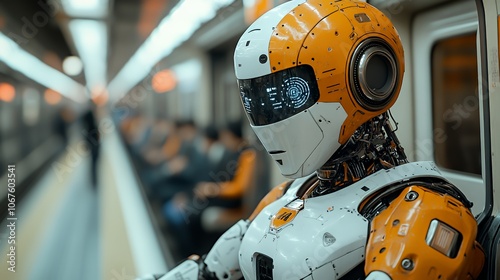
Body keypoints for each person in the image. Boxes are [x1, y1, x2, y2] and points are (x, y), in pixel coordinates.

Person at [139, 1, 484, 279]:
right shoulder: (291, 193)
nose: (270, 118)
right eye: (256, 100)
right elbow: (208, 272)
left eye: (289, 94)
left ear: (364, 81)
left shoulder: (419, 213)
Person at [81, 107, 100, 188]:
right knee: (94, 163)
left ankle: (94, 180)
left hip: (92, 143)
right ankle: (94, 181)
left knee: (93, 163)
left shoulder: (87, 116)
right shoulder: (90, 116)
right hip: (93, 143)